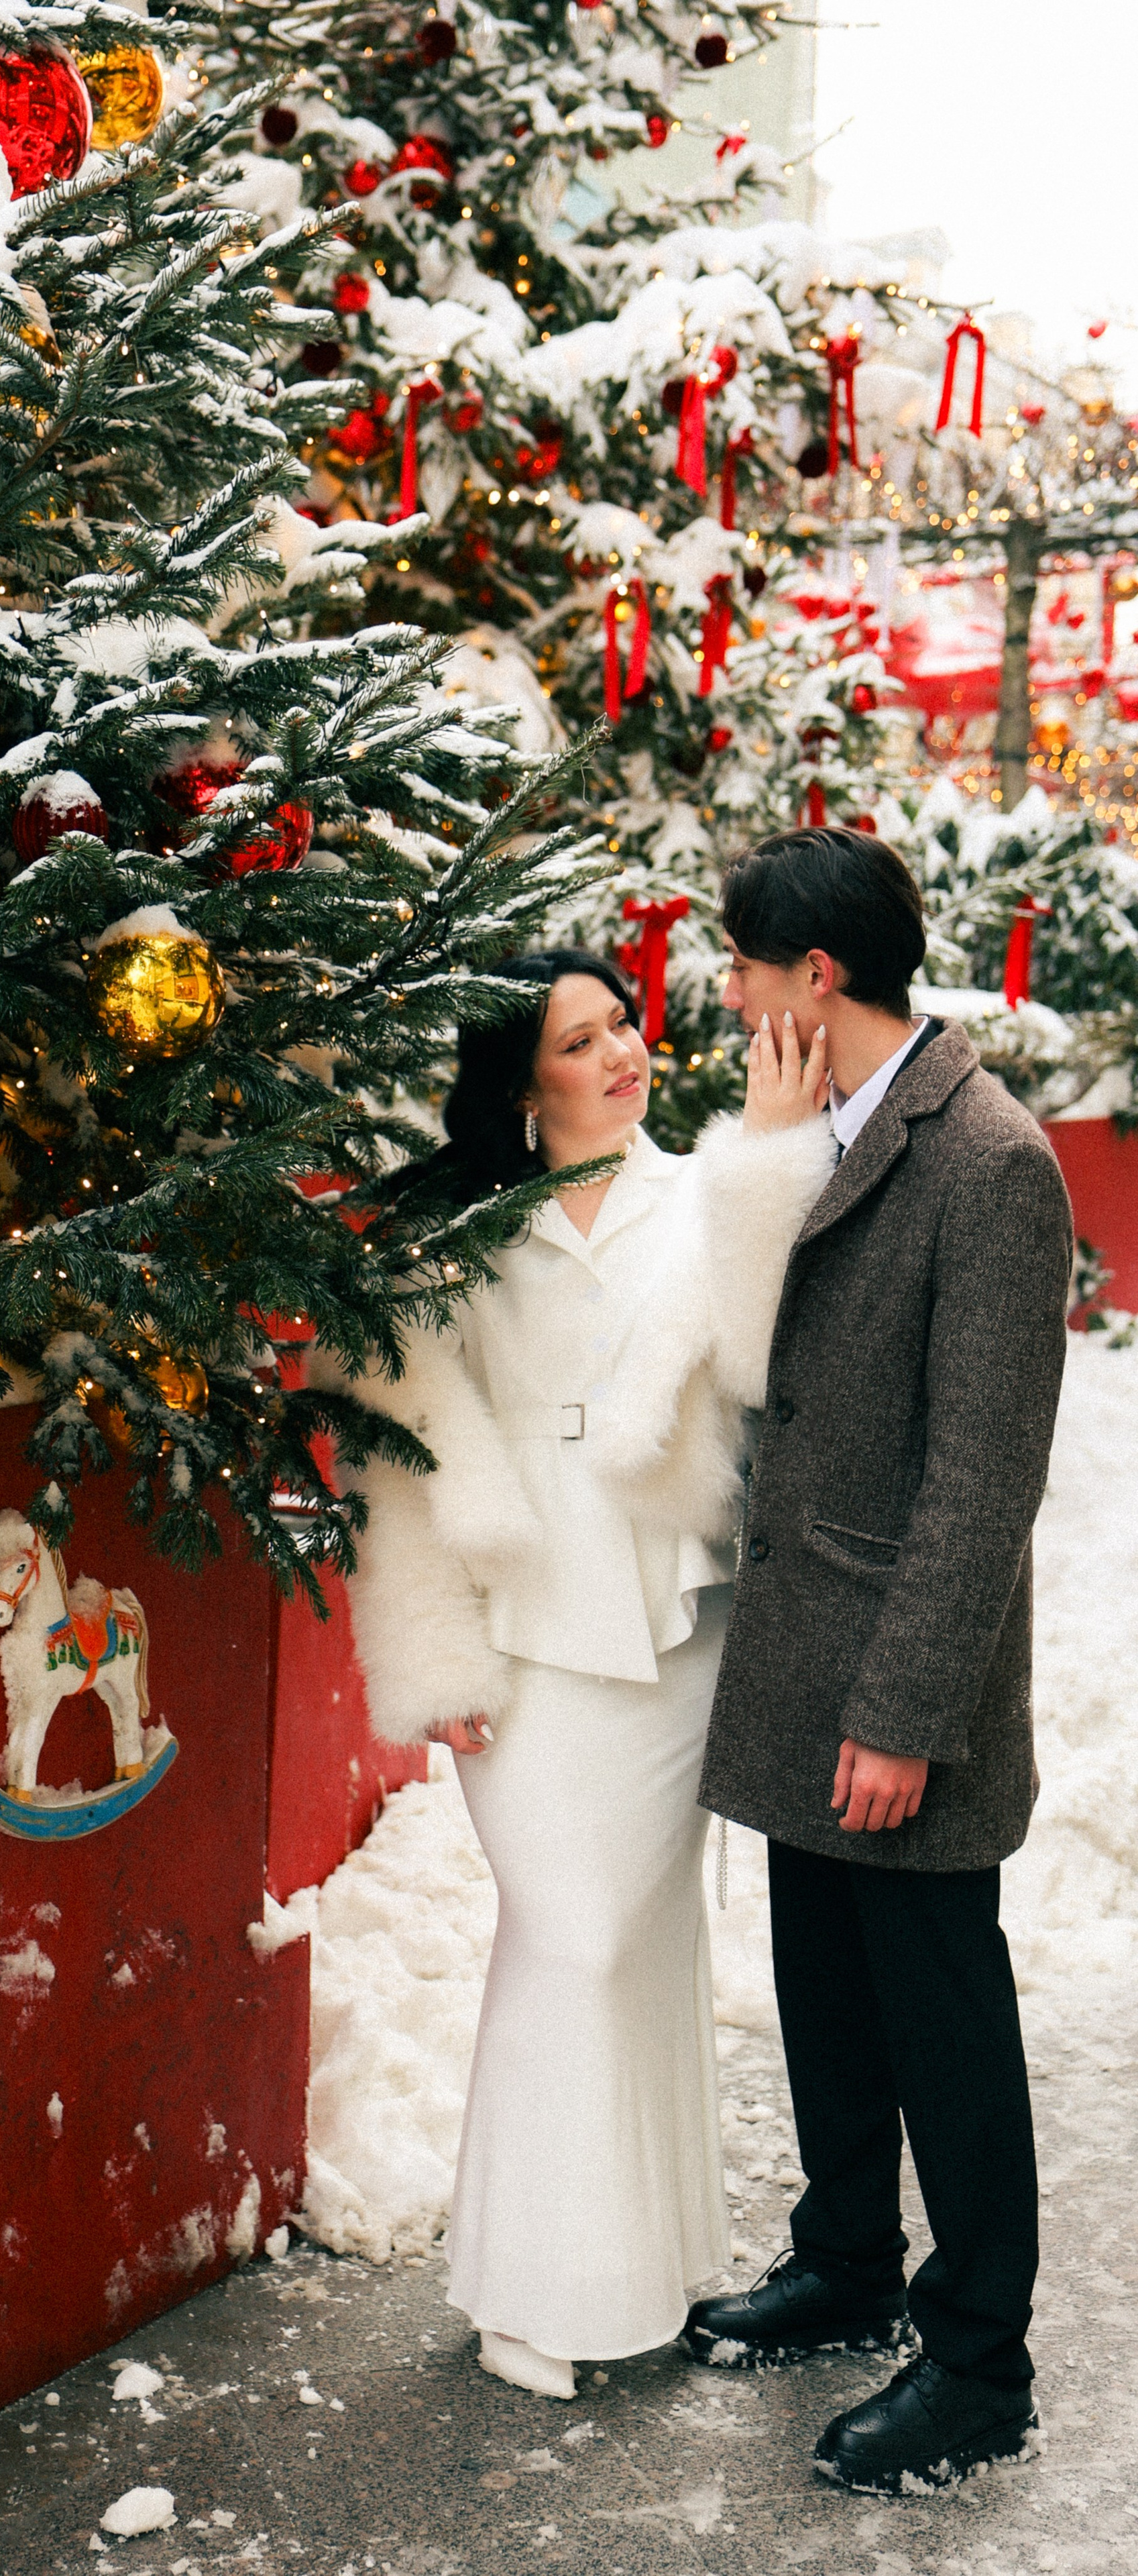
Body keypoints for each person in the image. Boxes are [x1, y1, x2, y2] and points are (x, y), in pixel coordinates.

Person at [329, 947, 834, 2401]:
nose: (622, 1053)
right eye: (580, 1040)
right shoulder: (448, 1236)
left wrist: (772, 1161)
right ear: (519, 1082)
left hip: (677, 1622)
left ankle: (650, 2264)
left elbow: (760, 1363)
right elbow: (398, 1457)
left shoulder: (702, 1195)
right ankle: (526, 2286)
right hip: (522, 1625)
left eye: (623, 1024)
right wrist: (432, 1655)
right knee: (572, 1940)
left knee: (646, 1942)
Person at [665, 828, 1074, 2496]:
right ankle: (843, 2262)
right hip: (796, 1658)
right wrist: (759, 1157)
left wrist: (904, 1715)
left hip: (902, 1678)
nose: (727, 994)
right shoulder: (807, 1129)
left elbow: (982, 1480)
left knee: (940, 2022)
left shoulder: (987, 1161)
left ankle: (976, 2363)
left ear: (812, 976)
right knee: (824, 1995)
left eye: (742, 966)